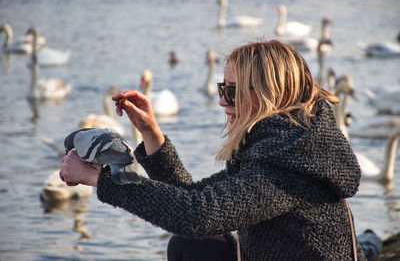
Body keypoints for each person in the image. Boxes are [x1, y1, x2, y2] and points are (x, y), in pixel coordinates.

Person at [59, 40, 366, 260]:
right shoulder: (281, 145)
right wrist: (151, 133)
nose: (223, 102)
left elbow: (195, 215)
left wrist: (98, 178)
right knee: (191, 245)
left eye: (231, 92)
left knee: (192, 239)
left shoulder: (290, 164)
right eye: (223, 89)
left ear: (267, 95)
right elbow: (191, 201)